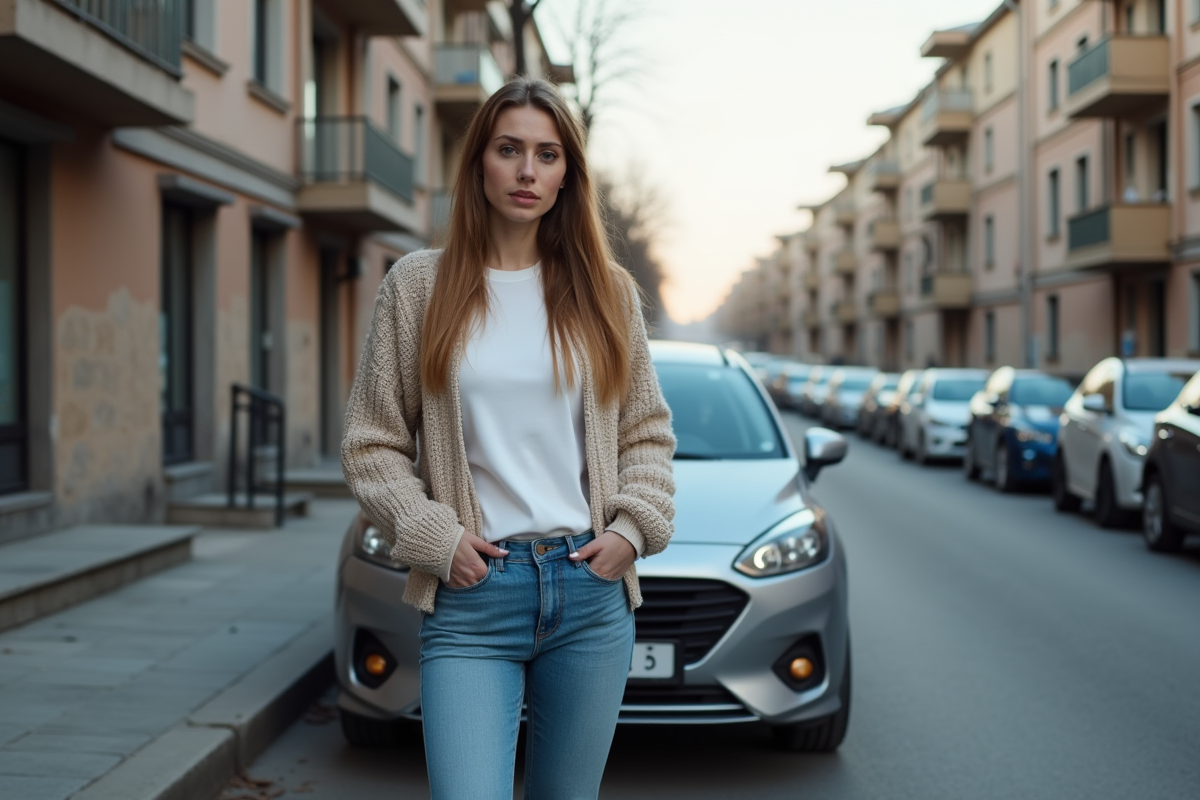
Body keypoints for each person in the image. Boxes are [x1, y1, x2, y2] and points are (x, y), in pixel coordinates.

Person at [340, 77, 676, 800]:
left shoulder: (606, 293)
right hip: (473, 596)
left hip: (589, 594)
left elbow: (646, 431)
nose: (528, 171)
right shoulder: (417, 287)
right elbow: (371, 442)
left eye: (548, 154)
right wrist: (434, 535)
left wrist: (632, 529)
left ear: (567, 174)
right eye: (509, 149)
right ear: (479, 164)